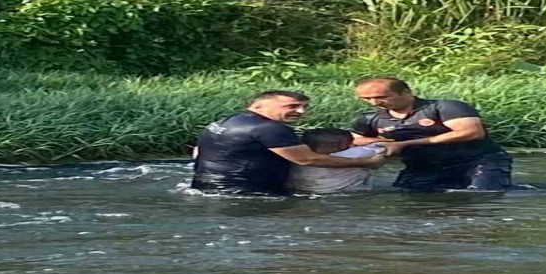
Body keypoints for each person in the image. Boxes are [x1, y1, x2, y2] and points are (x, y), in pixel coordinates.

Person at [191, 90, 385, 196]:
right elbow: (308, 160)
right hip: (246, 193)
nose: (301, 112)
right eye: (292, 106)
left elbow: (198, 152)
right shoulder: (270, 129)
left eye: (304, 107)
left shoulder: (228, 120)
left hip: (204, 186)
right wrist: (366, 162)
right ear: (258, 106)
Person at [351, 77, 512, 191]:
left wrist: (404, 144)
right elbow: (353, 140)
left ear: (406, 92)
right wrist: (381, 145)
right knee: (406, 195)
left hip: (476, 161)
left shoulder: (445, 107)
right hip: (423, 166)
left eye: (381, 97)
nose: (374, 103)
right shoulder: (370, 118)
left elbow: (472, 133)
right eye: (367, 99)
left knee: (483, 195)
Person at [290, 129, 385, 194]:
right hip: (351, 194)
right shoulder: (356, 153)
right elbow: (385, 148)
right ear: (345, 144)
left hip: (305, 192)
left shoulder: (294, 156)